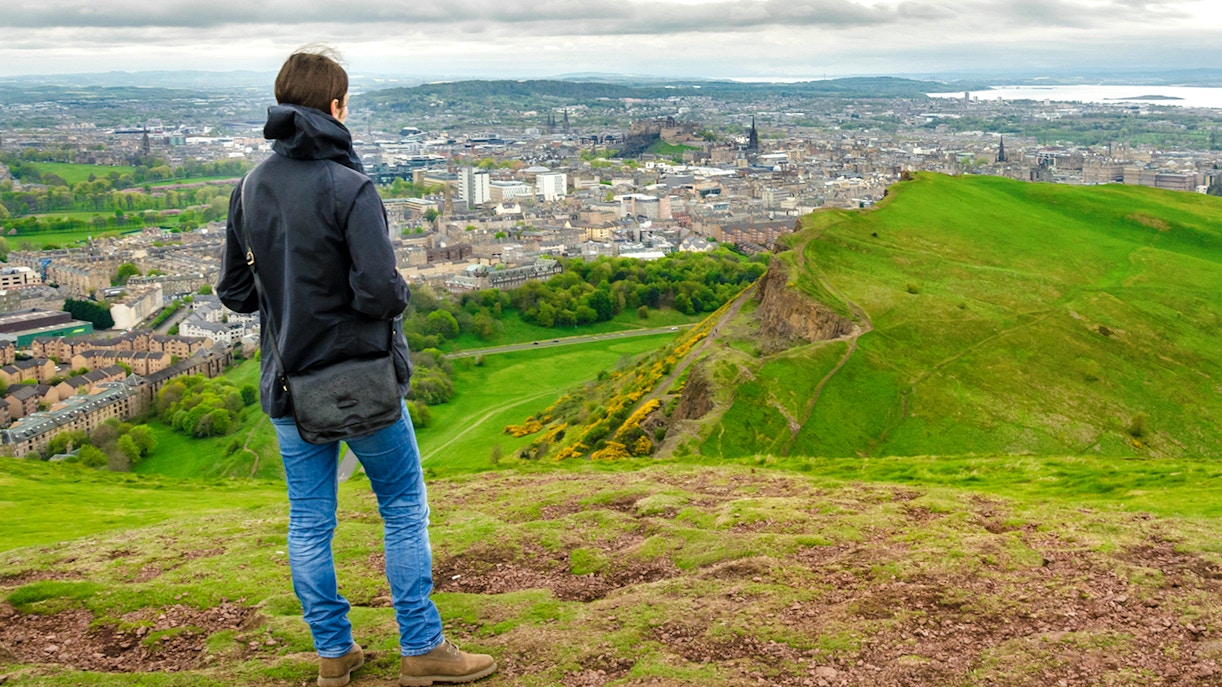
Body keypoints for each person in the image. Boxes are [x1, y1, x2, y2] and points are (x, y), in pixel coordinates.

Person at [217, 46, 496, 687]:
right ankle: (423, 648)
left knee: (310, 521)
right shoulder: (350, 186)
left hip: (289, 383)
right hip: (363, 378)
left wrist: (285, 294)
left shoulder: (249, 187)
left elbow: (234, 292)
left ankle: (334, 655)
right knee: (401, 505)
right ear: (337, 107)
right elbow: (381, 291)